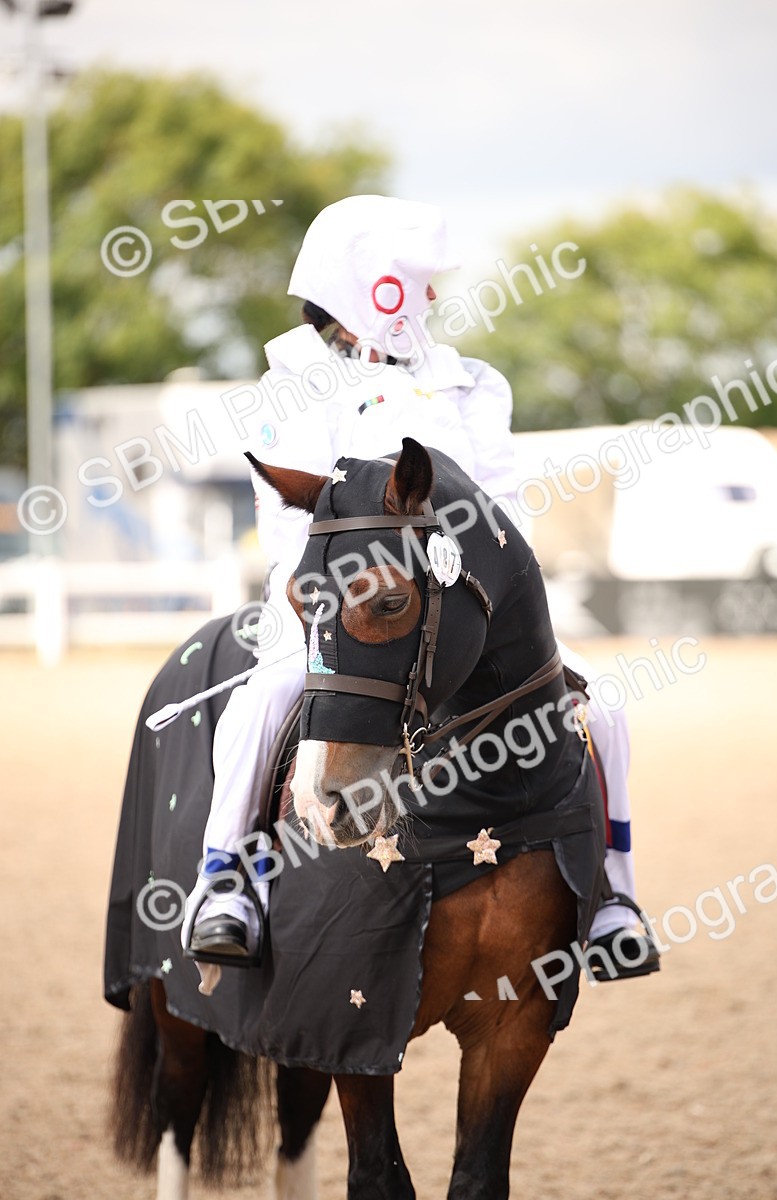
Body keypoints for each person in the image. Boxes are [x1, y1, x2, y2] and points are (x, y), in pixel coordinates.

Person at [182, 196, 658, 986]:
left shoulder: (472, 385)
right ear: (373, 288)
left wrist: (487, 591)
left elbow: (508, 510)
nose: (431, 298)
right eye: (417, 283)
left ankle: (614, 898)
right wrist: (362, 589)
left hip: (464, 600)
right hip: (338, 601)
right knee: (265, 700)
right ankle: (225, 879)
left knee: (603, 703)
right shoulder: (288, 386)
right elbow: (285, 521)